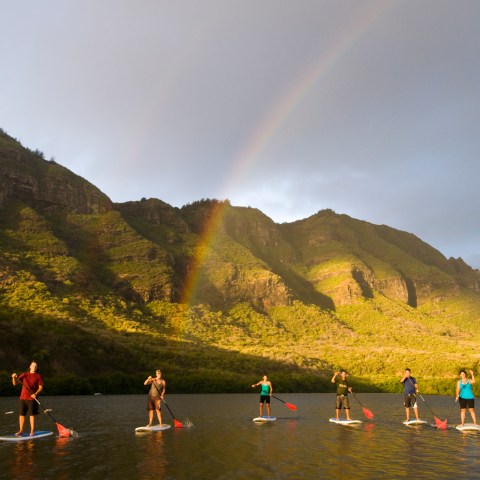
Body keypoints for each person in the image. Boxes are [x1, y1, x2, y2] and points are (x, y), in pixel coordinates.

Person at [11, 361, 44, 436]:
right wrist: (13, 377)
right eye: (33, 365)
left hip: (32, 398)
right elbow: (15, 383)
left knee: (31, 415)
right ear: (30, 366)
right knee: (21, 414)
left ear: (37, 368)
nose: (34, 367)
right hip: (23, 398)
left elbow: (41, 387)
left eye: (36, 366)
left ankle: (32, 431)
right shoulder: (24, 374)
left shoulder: (38, 376)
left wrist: (35, 394)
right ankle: (21, 430)